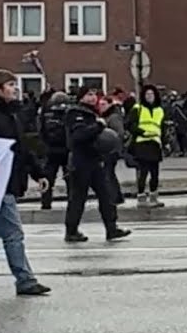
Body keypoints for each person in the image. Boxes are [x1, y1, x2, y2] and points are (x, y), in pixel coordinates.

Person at [0, 71, 51, 295]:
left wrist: (37, 172)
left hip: (8, 181)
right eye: (10, 85)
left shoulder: (10, 114)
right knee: (14, 233)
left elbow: (20, 148)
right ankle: (25, 280)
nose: (15, 88)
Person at [64, 87, 132, 243]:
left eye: (94, 94)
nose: (93, 97)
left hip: (95, 159)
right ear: (81, 97)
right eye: (89, 94)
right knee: (78, 198)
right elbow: (78, 136)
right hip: (81, 161)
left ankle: (111, 228)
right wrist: (98, 127)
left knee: (106, 194)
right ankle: (71, 230)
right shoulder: (75, 113)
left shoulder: (92, 113)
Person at [128, 85, 166, 208]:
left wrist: (164, 142)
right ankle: (141, 198)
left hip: (155, 143)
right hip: (142, 143)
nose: (149, 97)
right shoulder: (137, 109)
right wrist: (141, 132)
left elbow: (162, 127)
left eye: (152, 94)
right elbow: (129, 125)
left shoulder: (160, 110)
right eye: (147, 94)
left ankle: (154, 197)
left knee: (155, 173)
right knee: (143, 172)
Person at [38, 92, 70, 210]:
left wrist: (44, 146)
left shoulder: (46, 113)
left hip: (52, 150)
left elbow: (41, 131)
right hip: (64, 150)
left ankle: (46, 203)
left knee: (48, 178)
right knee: (69, 178)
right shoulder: (68, 113)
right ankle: (72, 203)